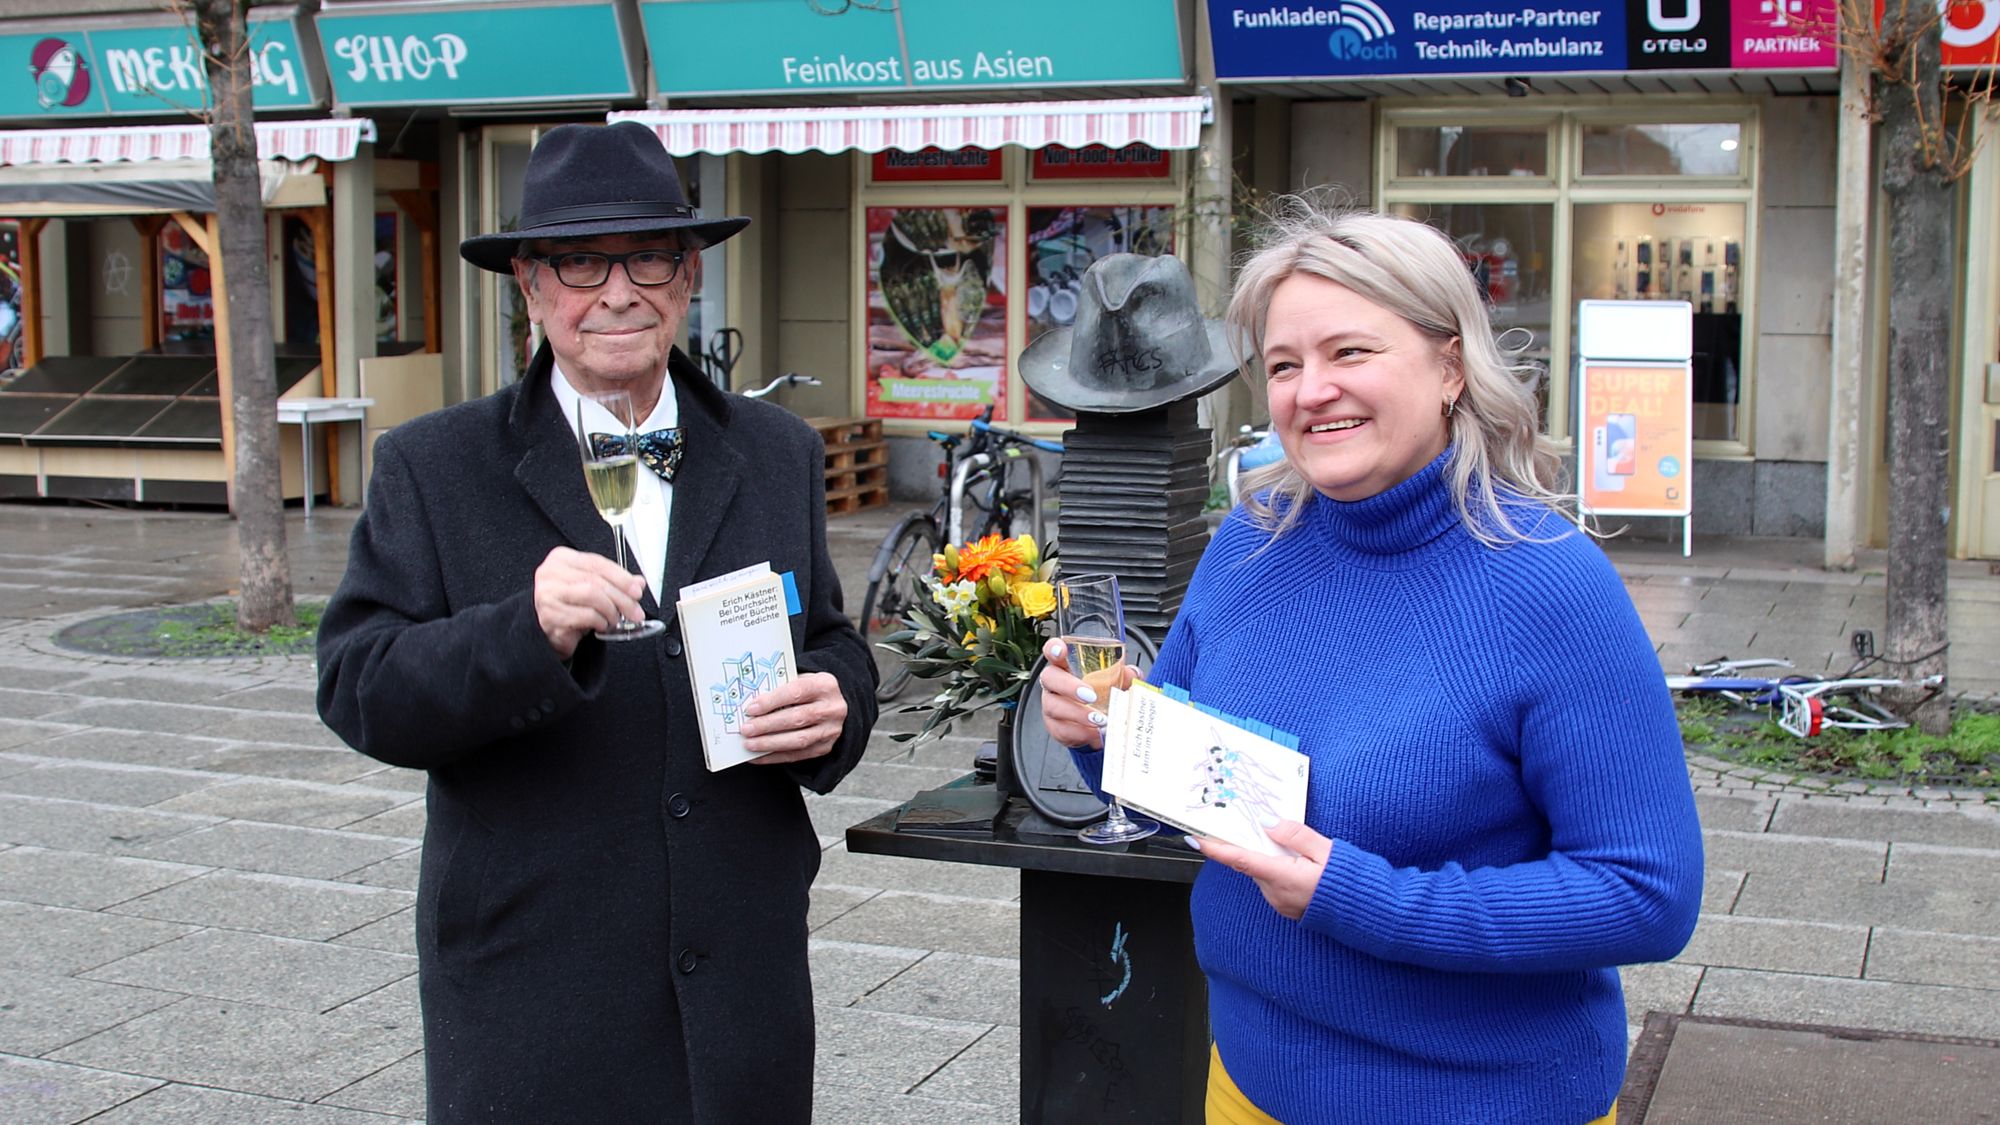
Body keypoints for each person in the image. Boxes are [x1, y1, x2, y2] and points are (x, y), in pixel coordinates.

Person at [1038, 203, 1703, 1124]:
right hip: (1248, 1084)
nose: (1312, 390)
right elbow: (1193, 786)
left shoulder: (1551, 583)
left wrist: (1364, 898)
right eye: (1284, 364)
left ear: (1451, 367)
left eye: (1350, 352)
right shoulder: (1250, 543)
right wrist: (1106, 733)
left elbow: (1647, 893)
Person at [316, 122, 878, 1123]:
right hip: (535, 993)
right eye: (579, 261)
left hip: (739, 983)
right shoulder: (433, 467)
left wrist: (838, 699)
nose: (615, 290)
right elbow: (360, 686)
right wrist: (518, 631)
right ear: (530, 285)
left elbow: (827, 636)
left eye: (647, 256)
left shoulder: (776, 450)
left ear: (687, 274)